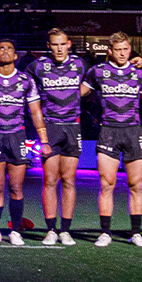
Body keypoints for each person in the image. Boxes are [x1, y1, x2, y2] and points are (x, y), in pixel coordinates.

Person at [0, 38, 48, 245]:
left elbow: (36, 112)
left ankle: (15, 231)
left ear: (15, 55)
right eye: (1, 49)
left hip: (17, 137)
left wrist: (44, 139)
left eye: (9, 49)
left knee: (16, 187)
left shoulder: (26, 81)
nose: (5, 51)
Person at [85, 33, 142, 247]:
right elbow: (78, 93)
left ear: (130, 50)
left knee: (136, 185)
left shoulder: (140, 73)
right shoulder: (97, 72)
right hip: (108, 131)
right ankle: (105, 233)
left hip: (133, 131)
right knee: (107, 184)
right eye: (118, 50)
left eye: (125, 49)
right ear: (110, 51)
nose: (122, 53)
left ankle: (136, 233)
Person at [30, 28, 88, 245]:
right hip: (50, 127)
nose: (59, 48)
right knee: (50, 180)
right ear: (49, 46)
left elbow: (98, 78)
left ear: (69, 44)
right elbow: (18, 80)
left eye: (63, 44)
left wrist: (138, 61)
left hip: (72, 127)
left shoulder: (80, 65)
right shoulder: (37, 66)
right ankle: (51, 230)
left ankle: (65, 230)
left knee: (69, 180)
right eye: (55, 44)